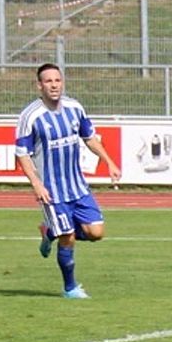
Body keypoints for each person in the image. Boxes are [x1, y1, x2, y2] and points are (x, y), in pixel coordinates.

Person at [15, 63, 121, 299]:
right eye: (48, 81)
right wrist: (37, 184)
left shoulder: (75, 108)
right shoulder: (31, 116)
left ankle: (50, 232)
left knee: (96, 232)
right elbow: (22, 153)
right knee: (69, 237)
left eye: (57, 80)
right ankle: (70, 288)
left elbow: (90, 138)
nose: (54, 85)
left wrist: (109, 162)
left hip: (78, 186)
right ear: (39, 86)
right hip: (52, 190)